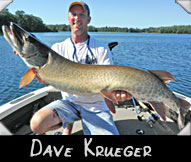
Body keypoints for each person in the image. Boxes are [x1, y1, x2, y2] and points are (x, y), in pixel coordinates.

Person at [29, 1, 128, 135]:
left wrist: (115, 95)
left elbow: (108, 83)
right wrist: (42, 76)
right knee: (37, 124)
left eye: (81, 14)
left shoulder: (101, 48)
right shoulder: (57, 49)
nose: (77, 18)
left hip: (95, 106)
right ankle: (67, 125)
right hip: (69, 103)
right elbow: (48, 80)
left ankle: (71, 125)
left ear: (88, 19)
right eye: (73, 14)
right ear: (68, 18)